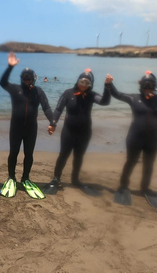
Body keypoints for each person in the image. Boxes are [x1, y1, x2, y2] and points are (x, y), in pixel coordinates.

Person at [42, 69, 111, 196]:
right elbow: (58, 110)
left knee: (79, 156)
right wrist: (53, 123)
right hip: (69, 131)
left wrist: (107, 86)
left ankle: (75, 179)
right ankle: (56, 178)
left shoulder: (91, 96)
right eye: (82, 81)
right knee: (63, 155)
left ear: (90, 84)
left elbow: (104, 102)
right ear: (78, 81)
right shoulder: (68, 93)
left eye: (87, 82)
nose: (83, 85)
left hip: (84, 133)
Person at [0, 52, 55, 199]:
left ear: (34, 79)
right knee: (14, 153)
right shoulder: (15, 89)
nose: (26, 80)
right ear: (21, 79)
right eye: (24, 78)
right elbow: (2, 82)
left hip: (31, 129)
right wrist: (10, 67)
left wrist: (53, 121)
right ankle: (11, 177)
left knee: (29, 154)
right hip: (16, 128)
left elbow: (47, 108)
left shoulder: (38, 92)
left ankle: (25, 178)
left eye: (29, 78)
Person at [107, 72, 157, 208]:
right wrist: (109, 84)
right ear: (140, 85)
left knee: (149, 165)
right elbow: (117, 94)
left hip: (152, 139)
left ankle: (145, 188)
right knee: (131, 161)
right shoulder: (134, 98)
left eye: (151, 85)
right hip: (135, 138)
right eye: (146, 84)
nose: (148, 87)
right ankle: (123, 186)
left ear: (154, 86)